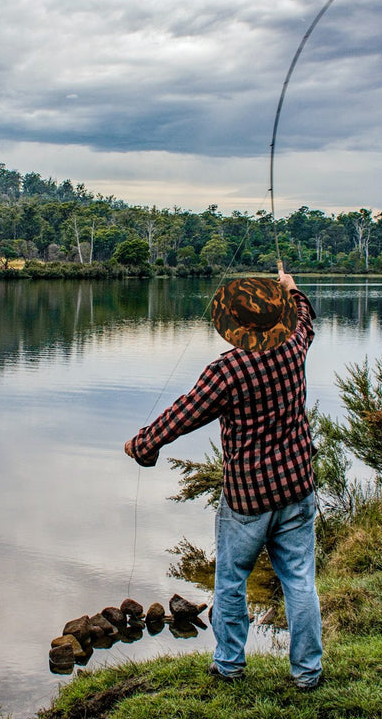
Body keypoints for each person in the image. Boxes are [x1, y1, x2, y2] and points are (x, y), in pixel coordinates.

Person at [124, 264, 322, 690]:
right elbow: (306, 317)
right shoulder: (294, 346)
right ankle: (307, 673)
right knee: (300, 581)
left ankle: (230, 664)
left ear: (234, 325)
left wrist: (144, 444)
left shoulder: (228, 371)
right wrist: (292, 289)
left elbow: (185, 413)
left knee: (231, 582)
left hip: (248, 498)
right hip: (297, 486)